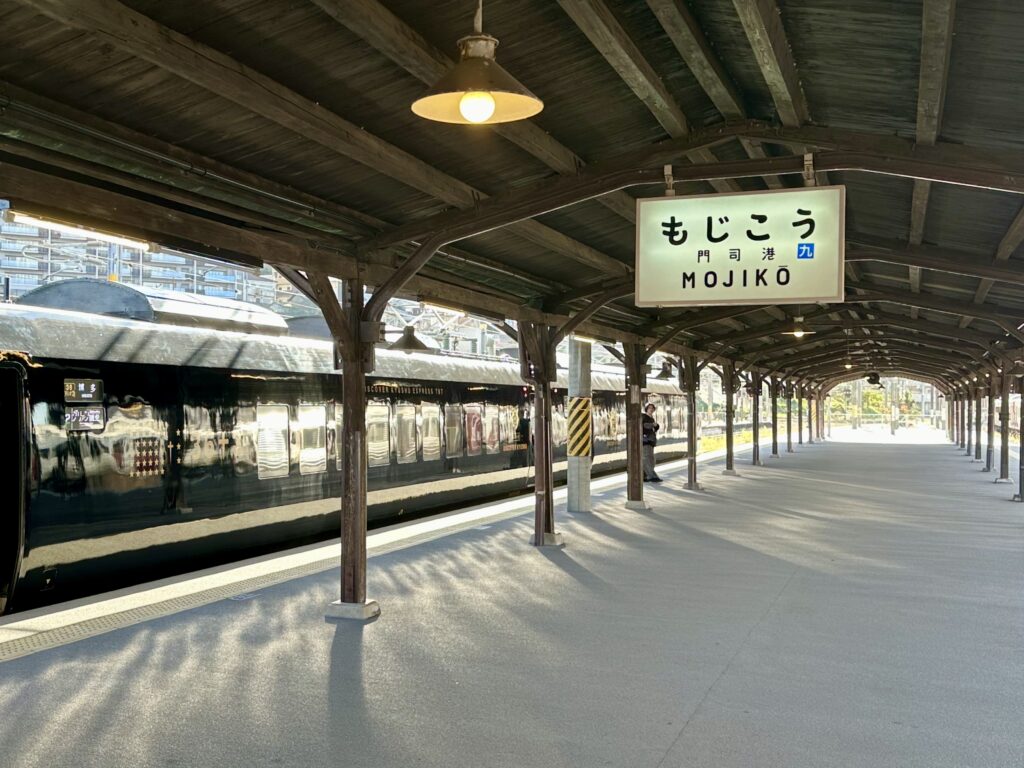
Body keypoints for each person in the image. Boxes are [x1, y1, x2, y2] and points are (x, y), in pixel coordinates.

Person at [642, 402, 662, 482]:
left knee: (651, 459)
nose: (651, 409)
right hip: (645, 440)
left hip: (651, 441)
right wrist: (652, 425)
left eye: (652, 408)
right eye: (649, 408)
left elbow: (653, 429)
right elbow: (643, 425)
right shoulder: (643, 416)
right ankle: (653, 476)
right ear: (646, 408)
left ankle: (645, 476)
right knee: (647, 458)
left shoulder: (652, 418)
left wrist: (656, 426)